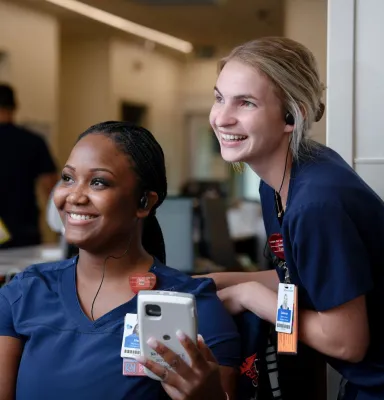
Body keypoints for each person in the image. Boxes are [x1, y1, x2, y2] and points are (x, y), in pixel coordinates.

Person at [204, 37, 384, 400]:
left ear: (292, 117)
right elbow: (298, 279)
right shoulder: (281, 182)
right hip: (370, 383)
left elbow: (346, 342)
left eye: (245, 102)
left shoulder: (315, 203)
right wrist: (207, 283)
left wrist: (248, 296)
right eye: (219, 98)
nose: (222, 117)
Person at [0, 121, 240, 400]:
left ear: (144, 203)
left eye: (98, 182)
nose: (74, 196)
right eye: (67, 178)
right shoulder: (25, 291)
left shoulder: (194, 306)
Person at [0, 83, 58, 248]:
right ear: (14, 106)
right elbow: (51, 188)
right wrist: (60, 229)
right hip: (24, 227)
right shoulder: (33, 141)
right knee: (25, 273)